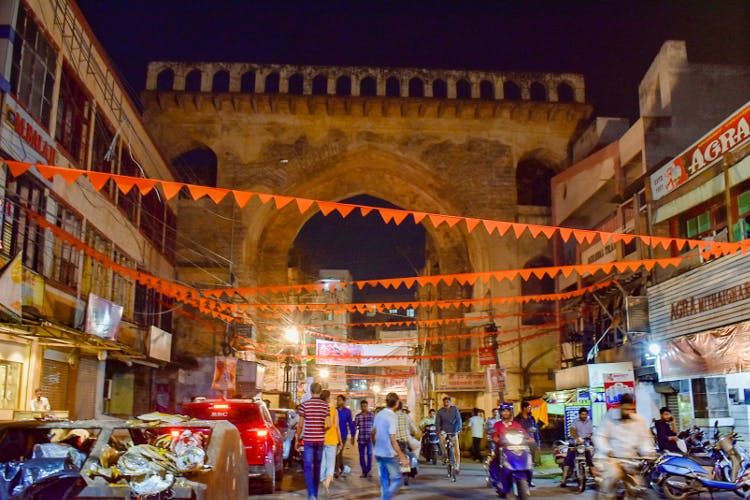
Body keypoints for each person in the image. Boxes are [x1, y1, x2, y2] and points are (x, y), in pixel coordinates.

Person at [593, 394, 656, 500]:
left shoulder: (639, 420)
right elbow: (600, 436)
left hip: (632, 459)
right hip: (611, 458)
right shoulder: (608, 418)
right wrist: (607, 450)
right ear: (620, 407)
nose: (629, 412)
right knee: (614, 475)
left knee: (637, 486)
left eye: (631, 409)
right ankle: (609, 496)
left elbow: (645, 438)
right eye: (626, 409)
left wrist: (649, 452)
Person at [371, 392, 410, 500]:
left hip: (378, 453)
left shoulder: (379, 414)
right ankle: (385, 498)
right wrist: (402, 456)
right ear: (397, 403)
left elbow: (372, 433)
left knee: (384, 480)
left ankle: (385, 497)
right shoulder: (392, 416)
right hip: (388, 454)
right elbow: (393, 439)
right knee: (398, 479)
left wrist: (375, 446)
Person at [296, 382, 330, 500]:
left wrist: (297, 440)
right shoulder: (325, 406)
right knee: (317, 467)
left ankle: (311, 494)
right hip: (320, 440)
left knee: (308, 467)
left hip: (309, 440)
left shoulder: (304, 405)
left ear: (310, 391)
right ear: (320, 392)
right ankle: (314, 493)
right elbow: (328, 424)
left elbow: (300, 425)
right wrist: (322, 430)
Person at [560, 406, 594, 487]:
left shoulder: (590, 422)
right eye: (582, 414)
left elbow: (592, 432)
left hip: (585, 442)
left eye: (585, 414)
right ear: (579, 415)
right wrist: (577, 437)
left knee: (589, 458)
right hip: (575, 441)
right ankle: (564, 479)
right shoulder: (575, 421)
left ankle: (594, 475)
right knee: (569, 458)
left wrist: (591, 438)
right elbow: (572, 430)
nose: (584, 416)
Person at [319, 390, 342, 495]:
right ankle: (327, 485)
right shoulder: (333, 410)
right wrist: (340, 441)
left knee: (323, 464)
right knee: (330, 464)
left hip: (321, 440)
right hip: (332, 440)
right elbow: (337, 428)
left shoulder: (318, 410)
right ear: (328, 398)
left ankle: (324, 482)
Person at [435, 396, 462, 474]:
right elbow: (437, 423)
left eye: (448, 402)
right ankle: (444, 455)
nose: (446, 403)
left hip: (453, 431)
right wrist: (438, 431)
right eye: (445, 402)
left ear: (450, 402)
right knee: (441, 442)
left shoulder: (455, 409)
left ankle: (457, 466)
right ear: (443, 403)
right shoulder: (440, 411)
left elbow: (459, 419)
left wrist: (459, 428)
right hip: (444, 431)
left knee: (457, 449)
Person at [515, 401, 542, 466]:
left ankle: (533, 462)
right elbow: (516, 430)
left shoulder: (532, 418)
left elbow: (536, 431)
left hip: (531, 440)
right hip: (521, 440)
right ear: (524, 408)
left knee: (533, 450)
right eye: (529, 407)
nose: (530, 409)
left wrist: (538, 442)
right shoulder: (517, 419)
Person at [335, 395, 355, 478]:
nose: (338, 401)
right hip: (334, 435)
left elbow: (350, 423)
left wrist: (353, 436)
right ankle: (341, 468)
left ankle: (337, 470)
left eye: (339, 400)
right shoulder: (334, 410)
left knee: (339, 452)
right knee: (337, 453)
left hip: (343, 435)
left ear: (343, 401)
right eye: (337, 400)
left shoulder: (347, 411)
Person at [354, 400, 375, 478]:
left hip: (369, 439)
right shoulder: (358, 416)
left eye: (365, 406)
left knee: (369, 454)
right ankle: (364, 471)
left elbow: (375, 427)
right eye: (362, 406)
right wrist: (353, 437)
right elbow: (355, 427)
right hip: (361, 439)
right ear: (360, 406)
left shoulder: (372, 415)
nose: (364, 408)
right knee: (362, 456)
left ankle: (368, 470)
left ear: (367, 406)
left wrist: (375, 438)